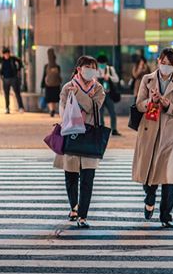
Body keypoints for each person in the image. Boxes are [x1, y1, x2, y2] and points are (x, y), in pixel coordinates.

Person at [132, 47, 173, 228]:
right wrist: (152, 101)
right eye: (163, 63)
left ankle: (166, 216)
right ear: (158, 61)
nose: (166, 67)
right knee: (149, 174)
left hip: (169, 135)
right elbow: (139, 105)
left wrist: (167, 104)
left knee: (168, 177)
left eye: (169, 64)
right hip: (149, 132)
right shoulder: (147, 80)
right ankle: (149, 198)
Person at [54, 56, 105, 228]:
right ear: (79, 69)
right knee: (71, 176)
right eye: (87, 67)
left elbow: (93, 107)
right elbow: (62, 108)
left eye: (93, 67)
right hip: (71, 133)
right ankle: (73, 206)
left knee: (87, 178)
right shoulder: (67, 87)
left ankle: (83, 215)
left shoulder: (98, 89)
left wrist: (78, 95)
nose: (90, 70)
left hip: (89, 135)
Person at [96, 55, 122, 136]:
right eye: (100, 63)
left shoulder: (110, 69)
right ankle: (102, 129)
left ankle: (114, 129)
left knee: (112, 113)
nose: (102, 65)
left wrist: (109, 77)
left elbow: (117, 79)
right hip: (99, 95)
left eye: (103, 63)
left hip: (108, 94)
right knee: (100, 113)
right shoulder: (95, 70)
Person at [0, 47, 24, 114]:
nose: (6, 55)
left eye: (7, 54)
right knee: (6, 94)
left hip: (13, 78)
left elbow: (20, 62)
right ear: (3, 54)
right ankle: (7, 108)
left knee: (17, 93)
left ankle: (21, 107)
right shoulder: (1, 60)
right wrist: (0, 73)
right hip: (5, 79)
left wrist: (18, 70)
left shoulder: (12, 59)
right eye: (5, 54)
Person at [41, 48, 62, 117]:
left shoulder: (46, 66)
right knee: (55, 98)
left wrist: (42, 85)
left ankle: (51, 110)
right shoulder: (58, 67)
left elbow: (44, 75)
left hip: (48, 85)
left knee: (50, 99)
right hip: (56, 84)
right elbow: (59, 75)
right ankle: (54, 109)